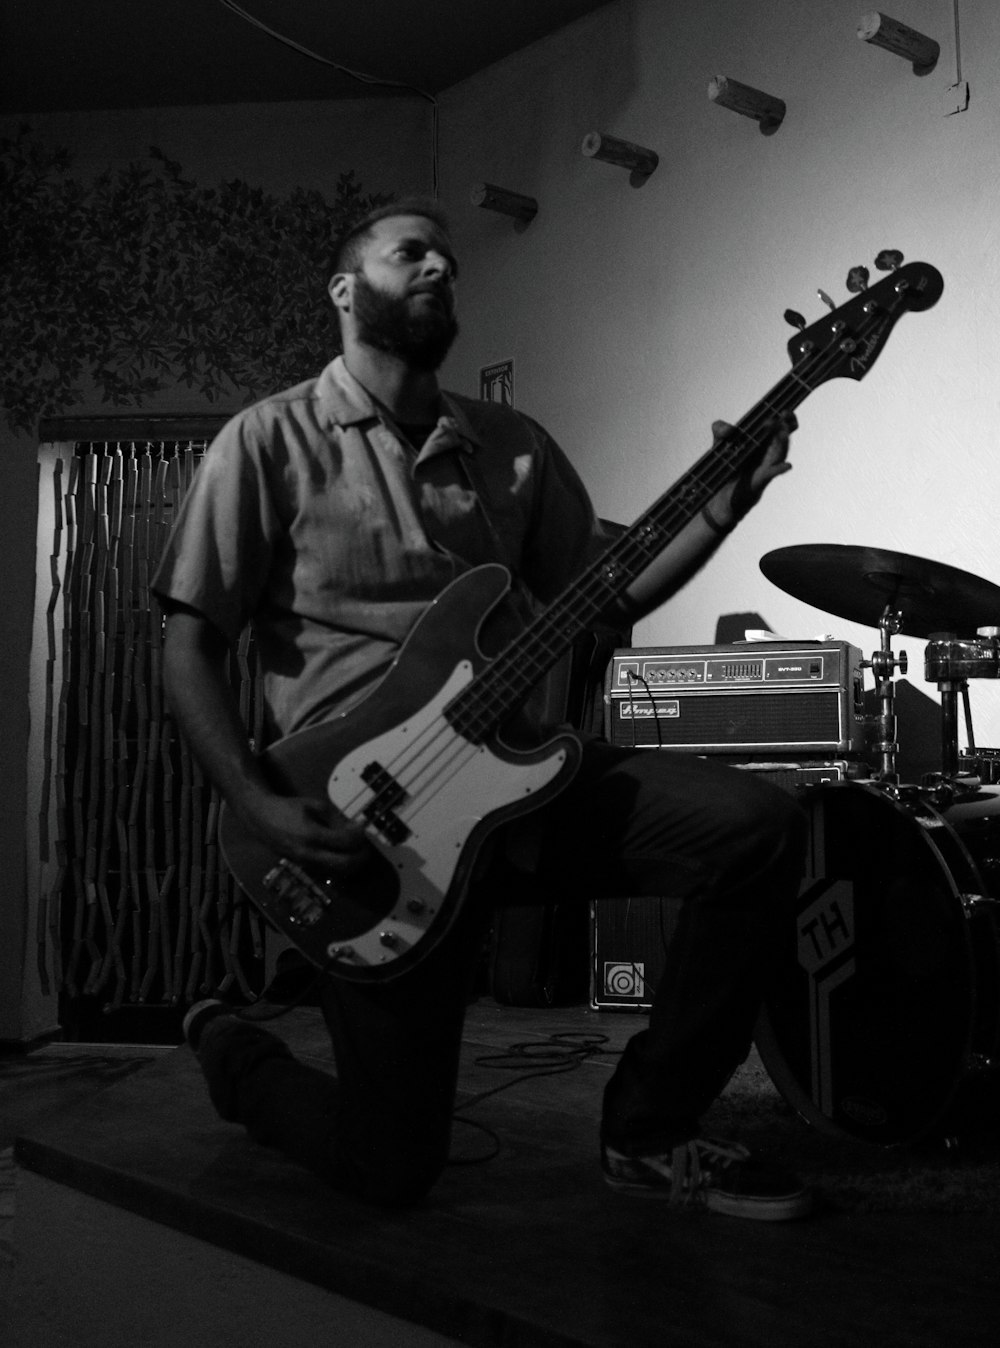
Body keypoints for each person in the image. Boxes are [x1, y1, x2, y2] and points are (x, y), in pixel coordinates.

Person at [154, 198, 810, 1220]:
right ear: (344, 289)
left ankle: (648, 1127)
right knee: (390, 1169)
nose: (436, 268)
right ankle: (233, 1048)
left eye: (447, 260)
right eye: (408, 251)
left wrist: (724, 508)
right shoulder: (267, 441)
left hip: (519, 779)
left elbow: (610, 586)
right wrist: (254, 798)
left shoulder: (510, 445)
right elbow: (187, 642)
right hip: (360, 825)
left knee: (759, 827)